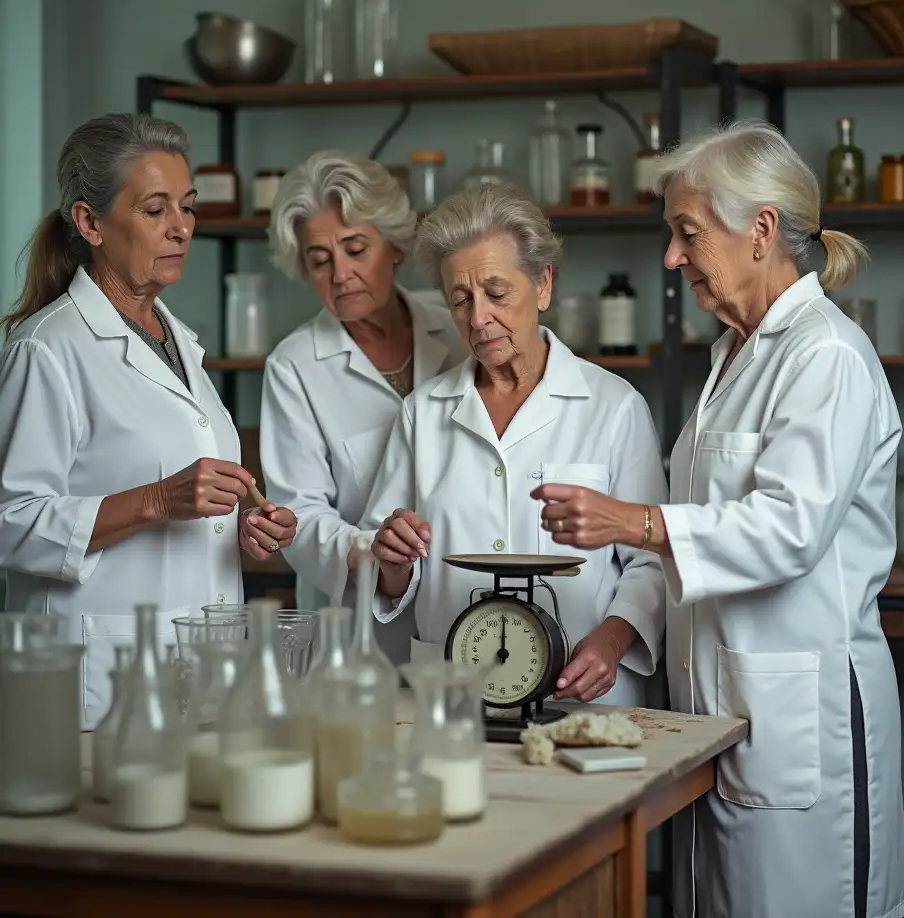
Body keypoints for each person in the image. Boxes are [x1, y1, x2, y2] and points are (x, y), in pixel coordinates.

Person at [538, 119, 904, 917]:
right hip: (722, 712)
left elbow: (788, 527)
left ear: (762, 231)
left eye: (687, 233)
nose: (672, 259)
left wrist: (636, 524)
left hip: (797, 716)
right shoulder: (735, 357)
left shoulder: (826, 358)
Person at [0, 113, 297, 728]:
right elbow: (10, 522)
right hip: (98, 680)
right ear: (90, 223)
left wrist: (240, 523)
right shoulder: (48, 349)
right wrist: (159, 500)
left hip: (197, 666)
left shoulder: (179, 342)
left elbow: (179, 491)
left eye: (187, 207)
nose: (182, 228)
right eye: (155, 209)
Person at [363, 184, 666, 705]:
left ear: (543, 284)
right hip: (453, 694)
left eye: (497, 293)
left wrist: (611, 643)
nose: (478, 317)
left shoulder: (614, 406)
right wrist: (391, 565)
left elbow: (652, 561)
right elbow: (386, 569)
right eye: (460, 299)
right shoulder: (423, 412)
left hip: (580, 693)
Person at [259, 151, 466, 662]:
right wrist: (372, 558)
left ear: (393, 247)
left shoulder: (461, 326)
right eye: (319, 259)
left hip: (467, 606)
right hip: (358, 632)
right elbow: (298, 512)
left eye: (356, 249)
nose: (341, 273)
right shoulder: (295, 365)